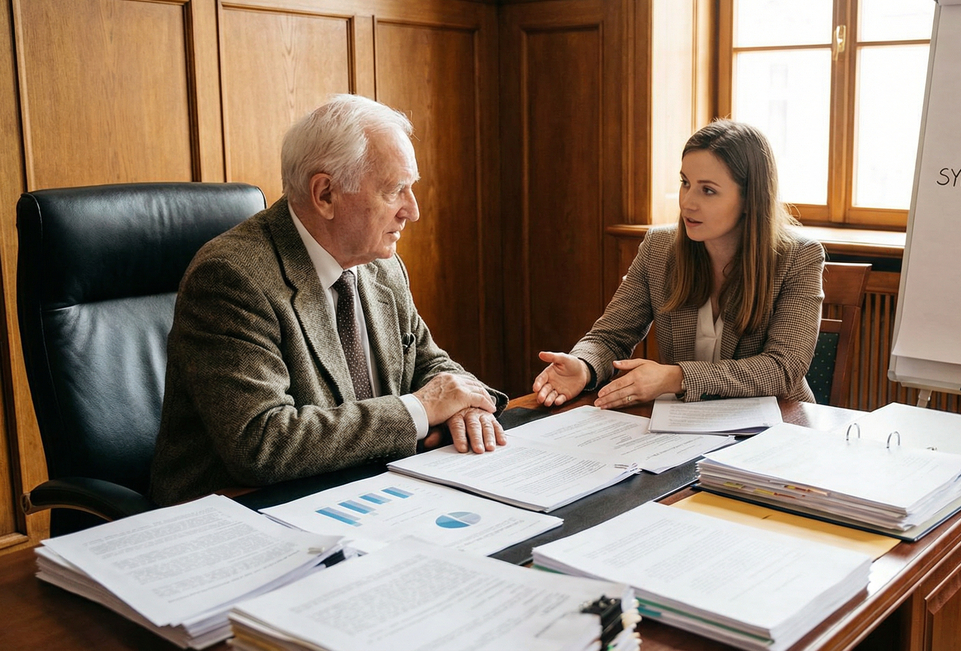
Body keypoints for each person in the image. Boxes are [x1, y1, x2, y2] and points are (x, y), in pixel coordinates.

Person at [150, 95, 506, 505]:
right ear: (325, 194)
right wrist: (420, 410)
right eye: (395, 191)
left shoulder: (380, 264)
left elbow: (427, 364)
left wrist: (467, 407)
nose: (413, 210)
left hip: (362, 494)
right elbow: (263, 443)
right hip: (240, 515)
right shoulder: (233, 278)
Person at [533, 119, 824, 409]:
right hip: (683, 425)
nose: (687, 202)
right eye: (685, 183)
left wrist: (676, 377)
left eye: (707, 190)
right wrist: (584, 366)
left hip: (776, 428)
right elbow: (611, 336)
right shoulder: (659, 248)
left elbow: (782, 369)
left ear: (750, 198)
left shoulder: (799, 257)